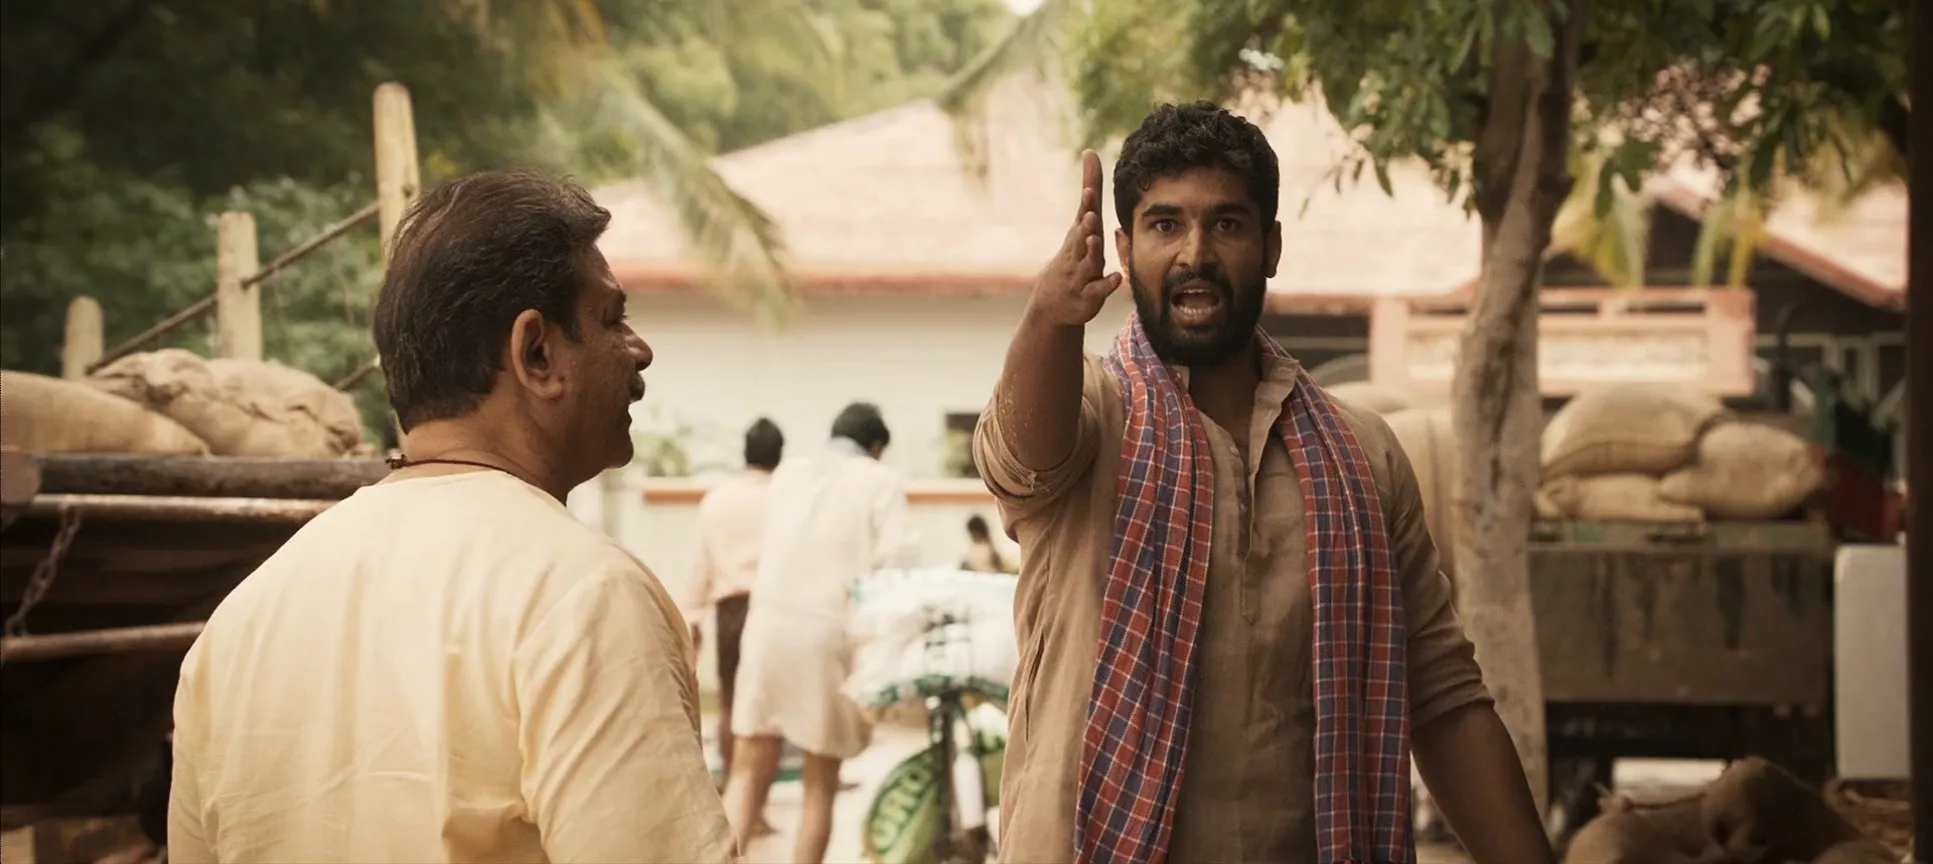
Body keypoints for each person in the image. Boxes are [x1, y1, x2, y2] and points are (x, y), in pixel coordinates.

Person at [972, 102, 1555, 864]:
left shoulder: (1363, 457)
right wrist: (1048, 321)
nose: (1195, 254)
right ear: (1123, 248)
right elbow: (1022, 454)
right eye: (1164, 224)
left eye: (1226, 224)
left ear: (1270, 245)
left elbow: (1441, 696)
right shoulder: (1093, 414)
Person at [168, 170, 734, 864]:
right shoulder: (582, 596)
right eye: (612, 319)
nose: (639, 350)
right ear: (536, 353)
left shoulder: (241, 623)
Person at [721, 402, 909, 864]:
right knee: (819, 786)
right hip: (828, 633)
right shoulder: (880, 481)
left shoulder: (788, 473)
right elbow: (894, 570)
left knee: (746, 771)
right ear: (876, 446)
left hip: (767, 627)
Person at [688, 417, 785, 788]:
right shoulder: (785, 499)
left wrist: (692, 616)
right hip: (775, 607)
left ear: (745, 452)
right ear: (779, 455)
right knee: (770, 707)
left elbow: (701, 564)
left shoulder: (717, 500)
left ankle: (733, 787)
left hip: (731, 611)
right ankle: (757, 800)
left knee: (731, 702)